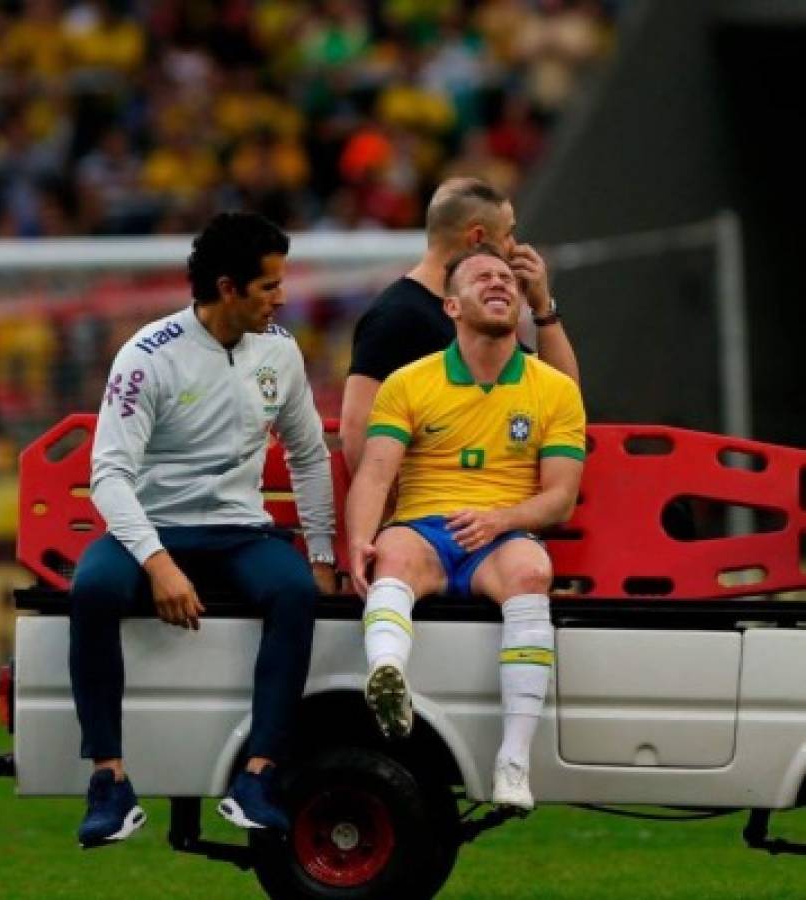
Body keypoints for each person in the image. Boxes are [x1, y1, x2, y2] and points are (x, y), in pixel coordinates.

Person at [70, 211, 336, 848]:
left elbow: (308, 455)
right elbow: (108, 474)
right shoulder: (146, 356)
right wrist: (158, 563)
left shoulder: (280, 352)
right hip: (153, 531)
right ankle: (109, 780)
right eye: (269, 286)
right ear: (227, 288)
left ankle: (258, 777)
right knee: (92, 591)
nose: (282, 297)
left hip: (240, 533)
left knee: (296, 592)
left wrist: (323, 554)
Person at [346, 244, 585, 812]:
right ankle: (386, 675)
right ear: (451, 305)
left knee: (532, 571)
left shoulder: (553, 388)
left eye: (507, 277)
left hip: (502, 536)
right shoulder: (408, 382)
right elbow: (377, 474)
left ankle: (513, 762)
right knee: (393, 553)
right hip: (426, 528)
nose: (499, 282)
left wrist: (501, 518)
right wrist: (358, 537)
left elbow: (560, 499)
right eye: (482, 277)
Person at [340, 176, 579, 475]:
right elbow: (356, 432)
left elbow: (565, 402)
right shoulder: (395, 317)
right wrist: (391, 519)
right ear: (477, 238)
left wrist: (543, 308)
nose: (514, 247)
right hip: (429, 512)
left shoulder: (480, 315)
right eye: (508, 234)